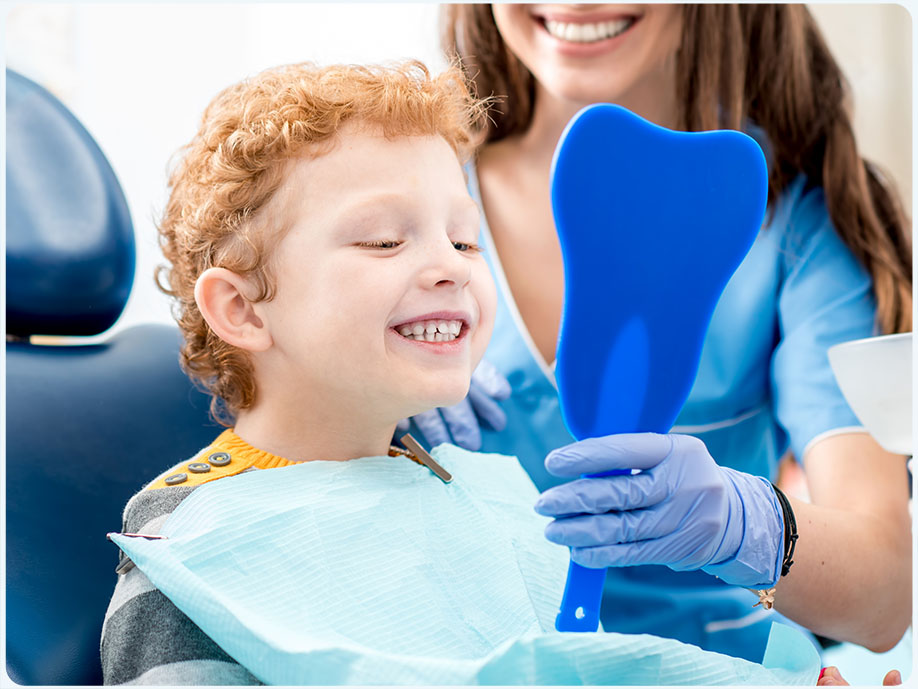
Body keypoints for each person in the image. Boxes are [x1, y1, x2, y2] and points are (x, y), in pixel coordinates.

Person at [427, 2, 913, 663]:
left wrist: (747, 523)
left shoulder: (795, 223)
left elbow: (885, 595)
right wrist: (365, 415)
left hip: (717, 667)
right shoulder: (409, 193)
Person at [100, 60, 499, 684]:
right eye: (384, 241)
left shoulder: (452, 493)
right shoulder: (197, 548)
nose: (452, 267)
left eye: (465, 240)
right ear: (242, 309)